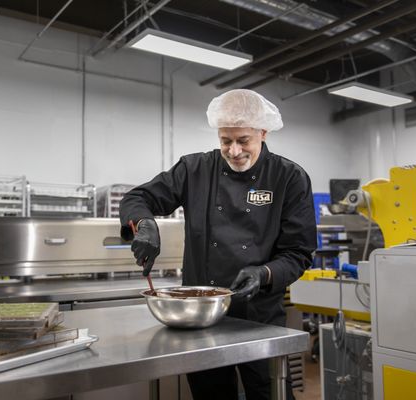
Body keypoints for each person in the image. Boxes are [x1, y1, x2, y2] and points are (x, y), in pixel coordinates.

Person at [119, 89, 317, 400]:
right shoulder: (195, 169)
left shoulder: (288, 177)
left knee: (269, 393)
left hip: (259, 317)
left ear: (263, 133)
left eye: (243, 140)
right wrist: (145, 225)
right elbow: (137, 198)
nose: (234, 150)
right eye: (226, 140)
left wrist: (264, 273)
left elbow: (299, 253)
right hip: (201, 320)